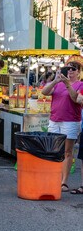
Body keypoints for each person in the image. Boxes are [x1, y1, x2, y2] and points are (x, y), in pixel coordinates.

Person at [41, 61, 83, 192]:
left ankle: (64, 182)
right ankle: (53, 178)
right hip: (54, 119)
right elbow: (44, 92)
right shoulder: (58, 83)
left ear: (78, 72)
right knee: (53, 149)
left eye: (73, 69)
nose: (70, 71)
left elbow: (76, 98)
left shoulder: (80, 84)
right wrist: (55, 80)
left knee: (67, 151)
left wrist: (67, 84)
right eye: (68, 68)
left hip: (70, 121)